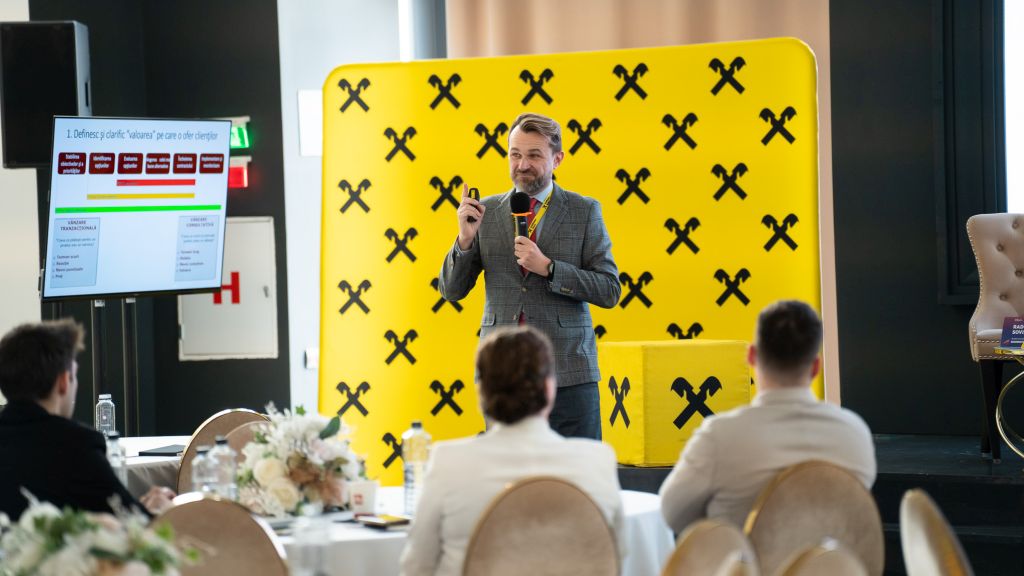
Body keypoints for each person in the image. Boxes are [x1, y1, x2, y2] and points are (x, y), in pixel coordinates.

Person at [438, 112, 620, 439]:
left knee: (574, 466)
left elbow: (609, 289)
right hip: (502, 377)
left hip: (569, 373)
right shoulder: (485, 212)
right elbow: (451, 291)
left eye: (534, 155)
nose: (522, 165)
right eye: (515, 154)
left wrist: (550, 268)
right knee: (507, 467)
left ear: (557, 158)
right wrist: (464, 239)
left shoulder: (584, 210)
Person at [399, 326, 625, 576]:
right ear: (550, 388)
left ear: (481, 390)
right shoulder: (598, 461)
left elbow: (416, 567)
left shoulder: (447, 461)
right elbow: (619, 559)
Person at [658, 300, 876, 534]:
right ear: (815, 367)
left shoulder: (719, 437)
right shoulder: (855, 434)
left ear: (752, 356)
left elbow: (671, 514)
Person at [0, 320, 175, 520]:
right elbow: (133, 522)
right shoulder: (76, 444)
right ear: (63, 382)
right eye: (74, 376)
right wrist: (159, 508)